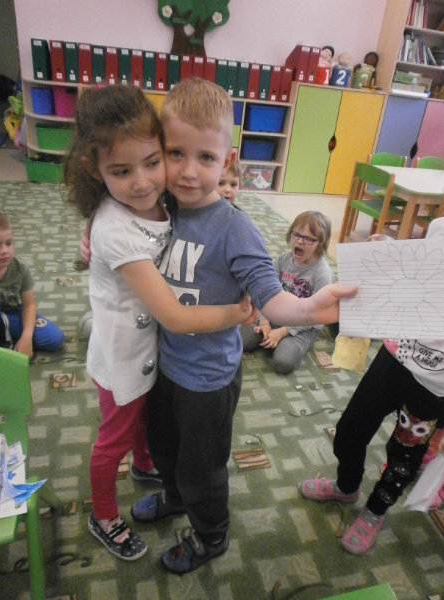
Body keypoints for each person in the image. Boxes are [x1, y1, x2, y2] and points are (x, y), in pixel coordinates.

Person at [126, 78, 356, 574]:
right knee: (162, 447)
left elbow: (272, 299)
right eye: (176, 153)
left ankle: (211, 535)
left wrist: (314, 309)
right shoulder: (159, 209)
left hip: (208, 380)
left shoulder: (236, 229)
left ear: (227, 160)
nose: (189, 171)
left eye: (205, 158)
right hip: (163, 365)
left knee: (202, 469)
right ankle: (175, 498)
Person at [64, 84, 254, 561]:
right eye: (122, 171)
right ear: (95, 169)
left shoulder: (165, 199)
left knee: (159, 433)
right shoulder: (116, 222)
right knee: (118, 438)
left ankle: (171, 491)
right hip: (126, 357)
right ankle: (103, 515)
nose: (144, 182)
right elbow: (172, 313)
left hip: (159, 354)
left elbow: (210, 220)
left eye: (153, 162)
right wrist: (236, 315)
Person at [301, 216, 444, 555]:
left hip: (435, 383)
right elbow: (419, 275)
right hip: (396, 355)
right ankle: (346, 487)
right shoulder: (442, 226)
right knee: (350, 430)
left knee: (403, 457)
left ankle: (374, 511)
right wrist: (386, 257)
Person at [240, 211, 334, 374]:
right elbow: (264, 290)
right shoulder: (283, 260)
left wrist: (282, 332)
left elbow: (317, 316)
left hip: (304, 326)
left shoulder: (322, 273)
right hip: (276, 315)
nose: (300, 241)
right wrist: (264, 320)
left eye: (308, 239)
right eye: (296, 234)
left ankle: (282, 341)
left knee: (283, 362)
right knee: (239, 340)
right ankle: (268, 336)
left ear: (320, 243)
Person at [0, 212, 64, 357]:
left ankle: (8, 338)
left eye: (8, 243)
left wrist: (26, 337)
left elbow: (29, 305)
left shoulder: (20, 268)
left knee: (54, 338)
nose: (4, 251)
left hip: (12, 314)